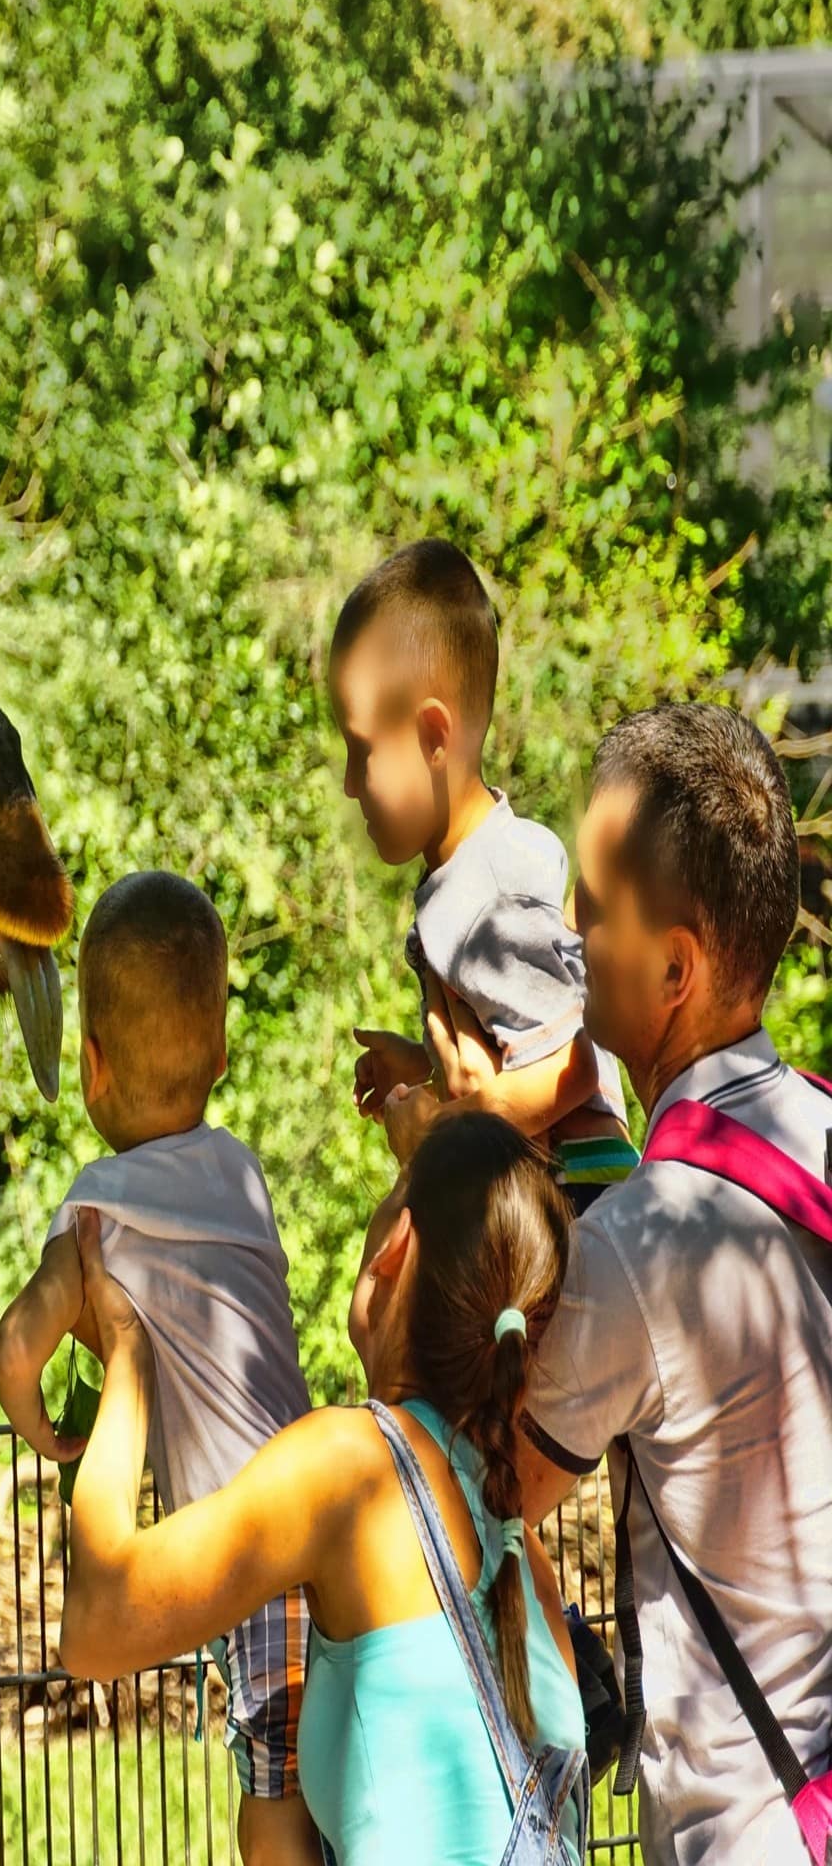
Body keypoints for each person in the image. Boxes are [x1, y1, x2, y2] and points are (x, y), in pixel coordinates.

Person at [479, 703, 832, 1866]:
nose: (570, 937)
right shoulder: (821, 1131)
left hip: (744, 1829)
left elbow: (500, 1487)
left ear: (675, 965)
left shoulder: (642, 1242)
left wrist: (454, 1173)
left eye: (590, 906)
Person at [59, 1110, 588, 1866]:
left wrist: (129, 1363)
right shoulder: (517, 1547)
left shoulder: (353, 1466)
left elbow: (95, 1626)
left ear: (394, 1248)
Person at [0, 871, 318, 1863]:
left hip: (241, 1549)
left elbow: (22, 1338)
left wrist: (37, 1419)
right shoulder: (243, 1175)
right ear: (220, 1051)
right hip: (311, 1518)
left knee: (274, 1776)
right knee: (313, 1768)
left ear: (90, 1064)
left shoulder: (99, 1205)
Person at [328, 538, 635, 1205]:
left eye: (362, 752)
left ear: (434, 739)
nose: (350, 785)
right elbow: (513, 1050)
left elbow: (575, 1063)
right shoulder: (470, 871)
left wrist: (450, 1126)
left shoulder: (493, 891)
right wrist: (427, 1070)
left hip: (582, 1205)